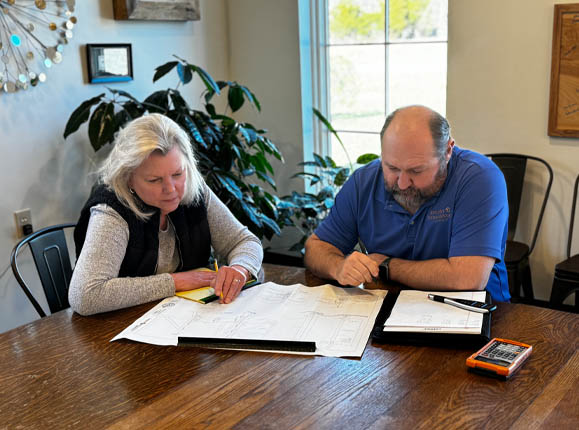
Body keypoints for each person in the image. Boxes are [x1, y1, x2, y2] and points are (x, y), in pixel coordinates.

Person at [304, 105, 510, 302]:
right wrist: (338, 266)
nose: (402, 184)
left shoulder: (479, 178)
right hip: (388, 305)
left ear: (448, 152)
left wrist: (386, 265)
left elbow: (468, 278)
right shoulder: (363, 182)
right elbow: (316, 248)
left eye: (416, 171)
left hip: (474, 311)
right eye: (392, 168)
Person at [70, 114, 263, 315]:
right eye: (154, 180)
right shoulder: (112, 211)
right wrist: (176, 281)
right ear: (128, 178)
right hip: (118, 329)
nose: (171, 189)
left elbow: (244, 241)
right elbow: (85, 296)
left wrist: (241, 269)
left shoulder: (194, 189)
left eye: (178, 174)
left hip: (188, 317)